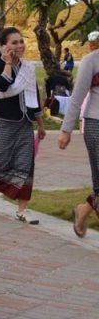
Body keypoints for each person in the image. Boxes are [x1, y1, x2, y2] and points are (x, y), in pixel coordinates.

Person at [0, 26, 45, 224]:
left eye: (21, 42)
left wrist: (40, 124)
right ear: (4, 46)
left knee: (25, 166)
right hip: (2, 123)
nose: (20, 46)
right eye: (14, 42)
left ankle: (23, 210)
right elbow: (2, 86)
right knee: (0, 164)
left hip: (25, 123)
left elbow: (34, 97)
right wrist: (7, 63)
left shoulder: (28, 68)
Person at [57, 39, 99, 237]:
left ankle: (83, 210)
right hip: (96, 124)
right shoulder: (92, 60)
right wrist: (66, 129)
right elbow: (77, 97)